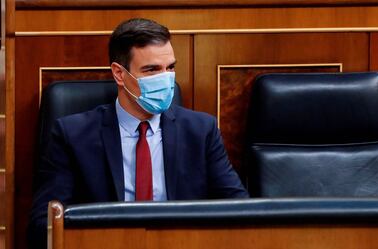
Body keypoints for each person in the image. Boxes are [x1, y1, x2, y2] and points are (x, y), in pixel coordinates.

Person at [28, 18, 248, 248]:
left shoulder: (201, 131)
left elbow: (240, 211)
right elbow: (44, 226)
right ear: (119, 74)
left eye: (170, 68)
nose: (166, 79)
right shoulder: (72, 135)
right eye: (152, 70)